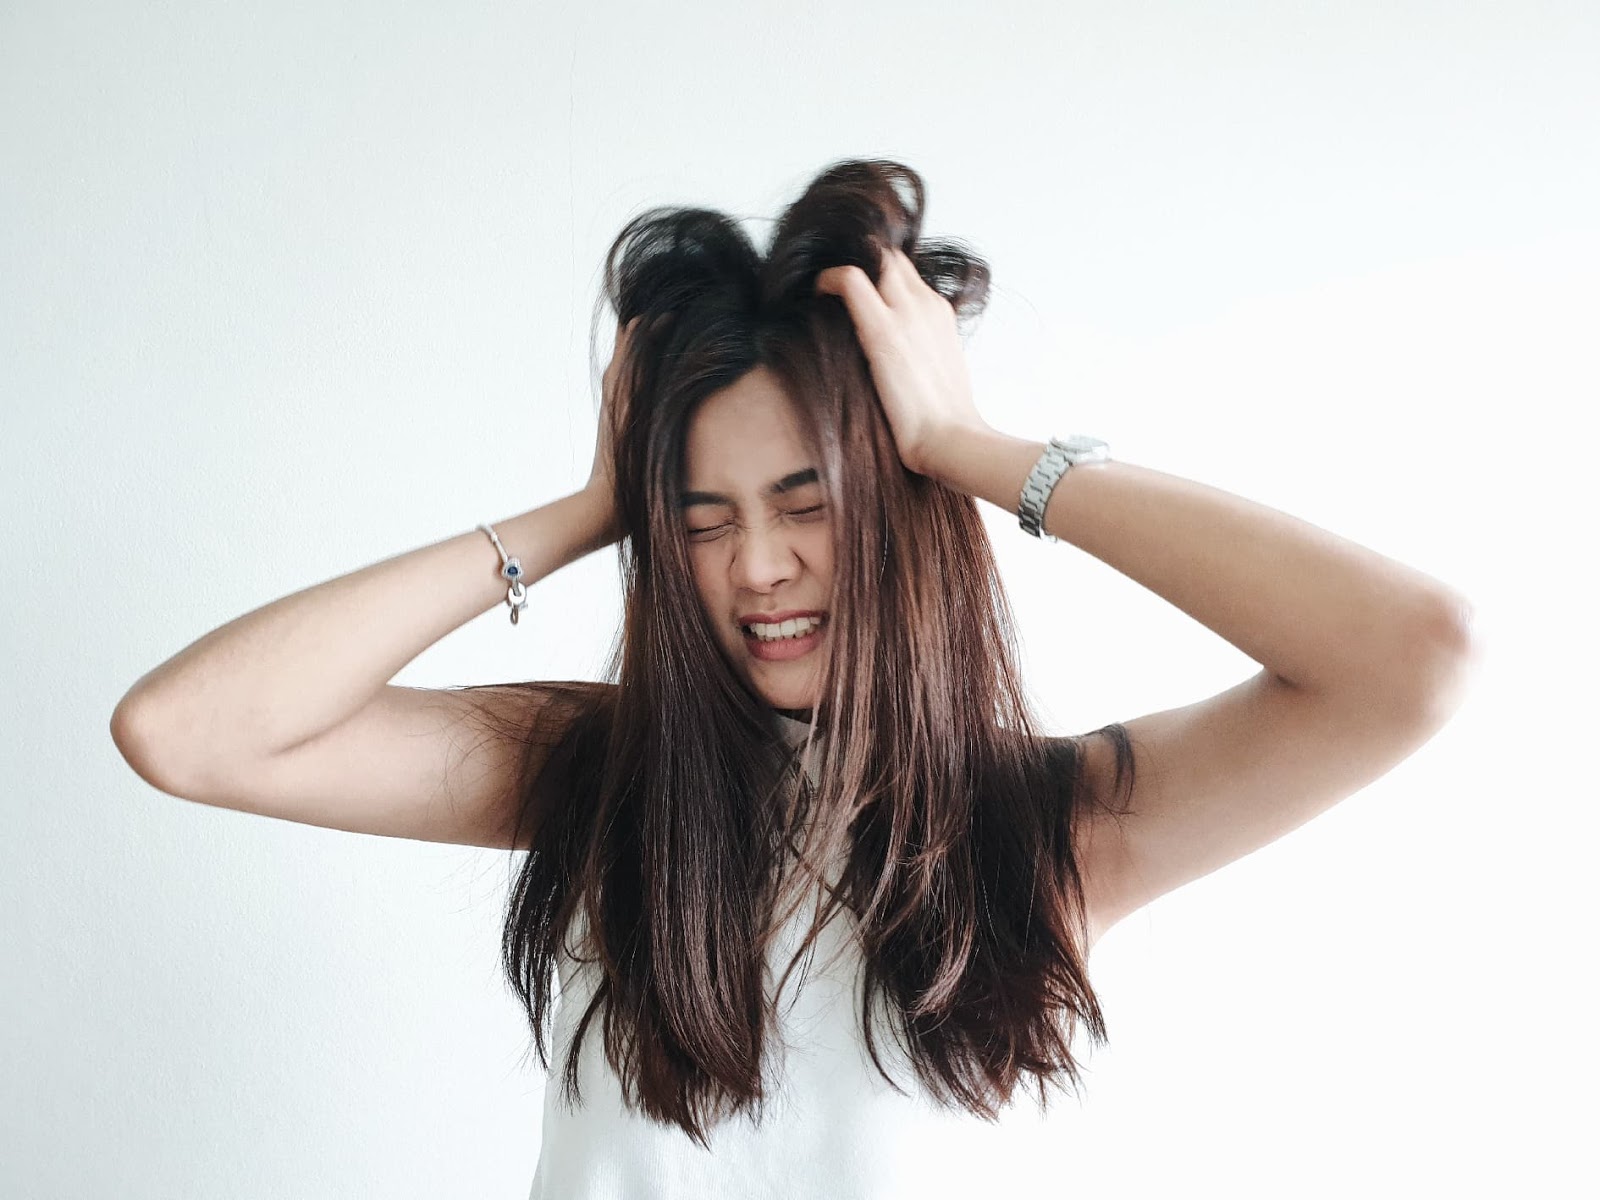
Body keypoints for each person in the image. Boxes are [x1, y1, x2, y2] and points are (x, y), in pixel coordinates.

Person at [109, 159, 1482, 1198]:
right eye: (703, 520)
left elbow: (1412, 654)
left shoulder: (1053, 829)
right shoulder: (597, 776)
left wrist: (970, 446)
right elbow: (189, 732)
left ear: (900, 506)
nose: (756, 566)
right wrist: (592, 508)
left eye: (806, 503)